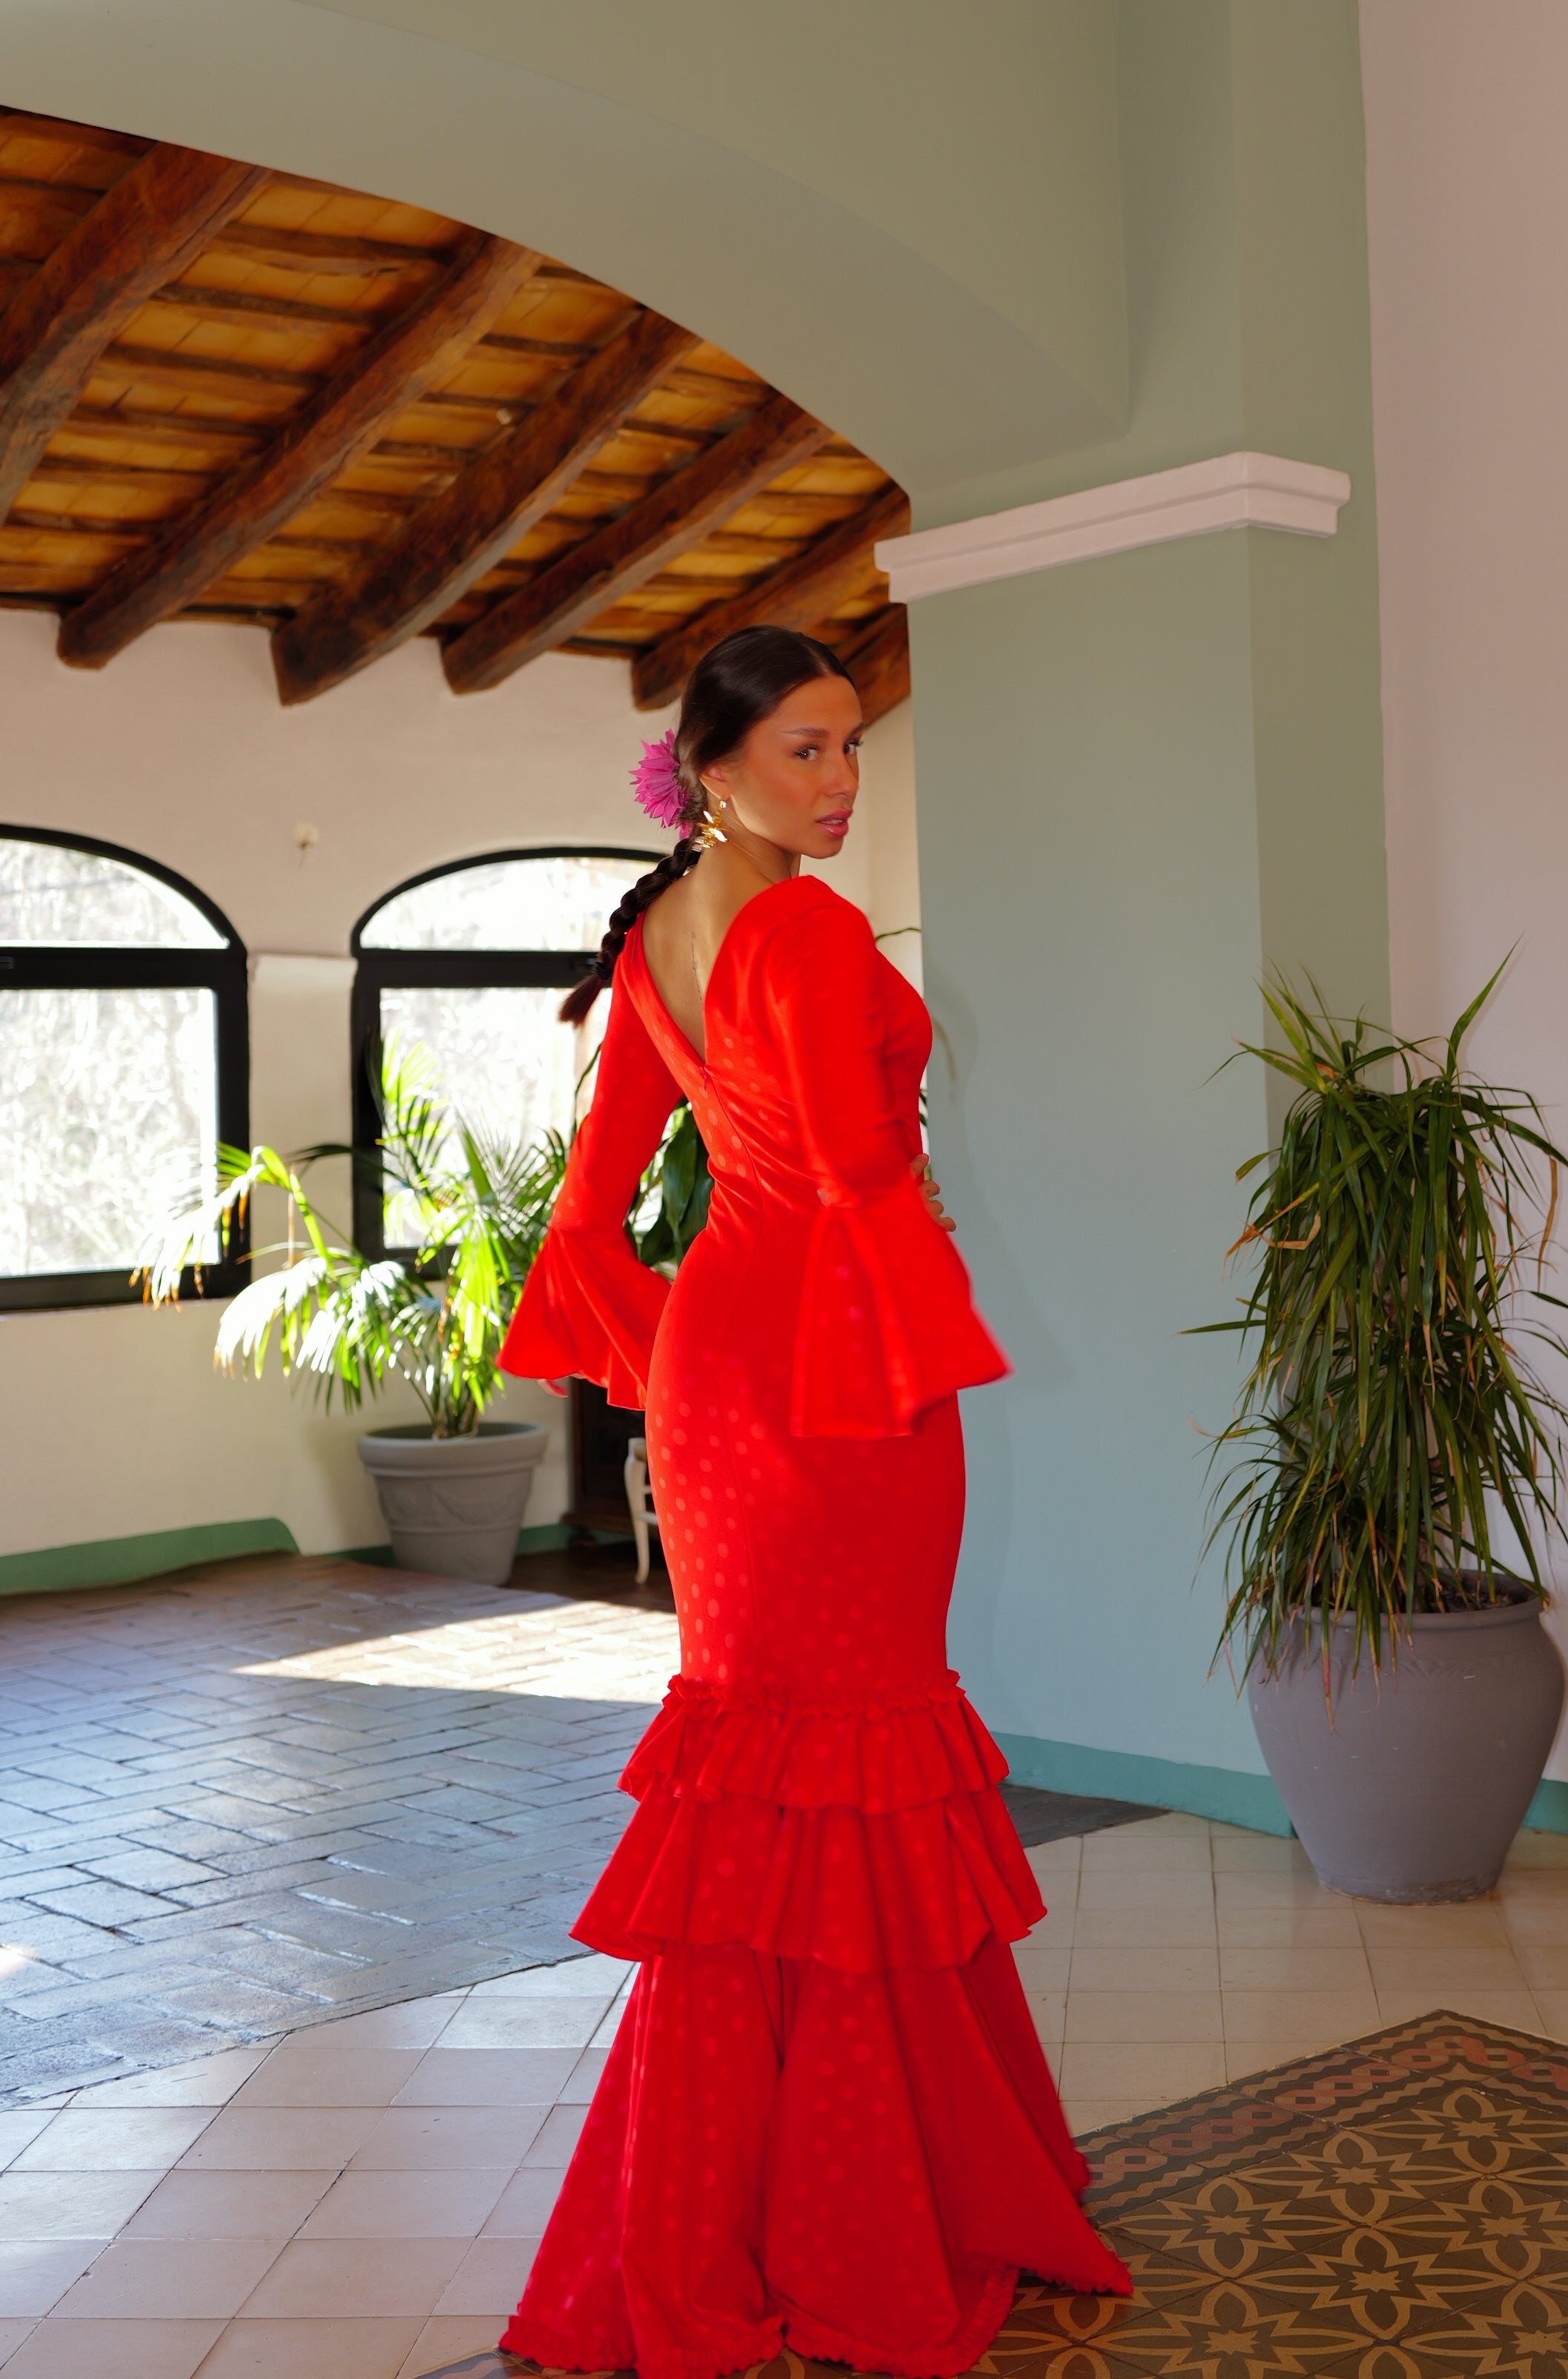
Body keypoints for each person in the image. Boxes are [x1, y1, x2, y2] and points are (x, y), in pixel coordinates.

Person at [496, 625, 1131, 2379]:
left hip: (721, 1360)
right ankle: (861, 2218)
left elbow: (594, 1196)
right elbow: (856, 1169)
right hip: (835, 1371)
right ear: (714, 767)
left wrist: (682, 1315)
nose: (842, 781)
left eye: (852, 746)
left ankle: (722, 2212)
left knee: (765, 1768)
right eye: (806, 750)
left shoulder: (655, 940)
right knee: (851, 1759)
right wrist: (913, 1312)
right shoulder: (806, 927)